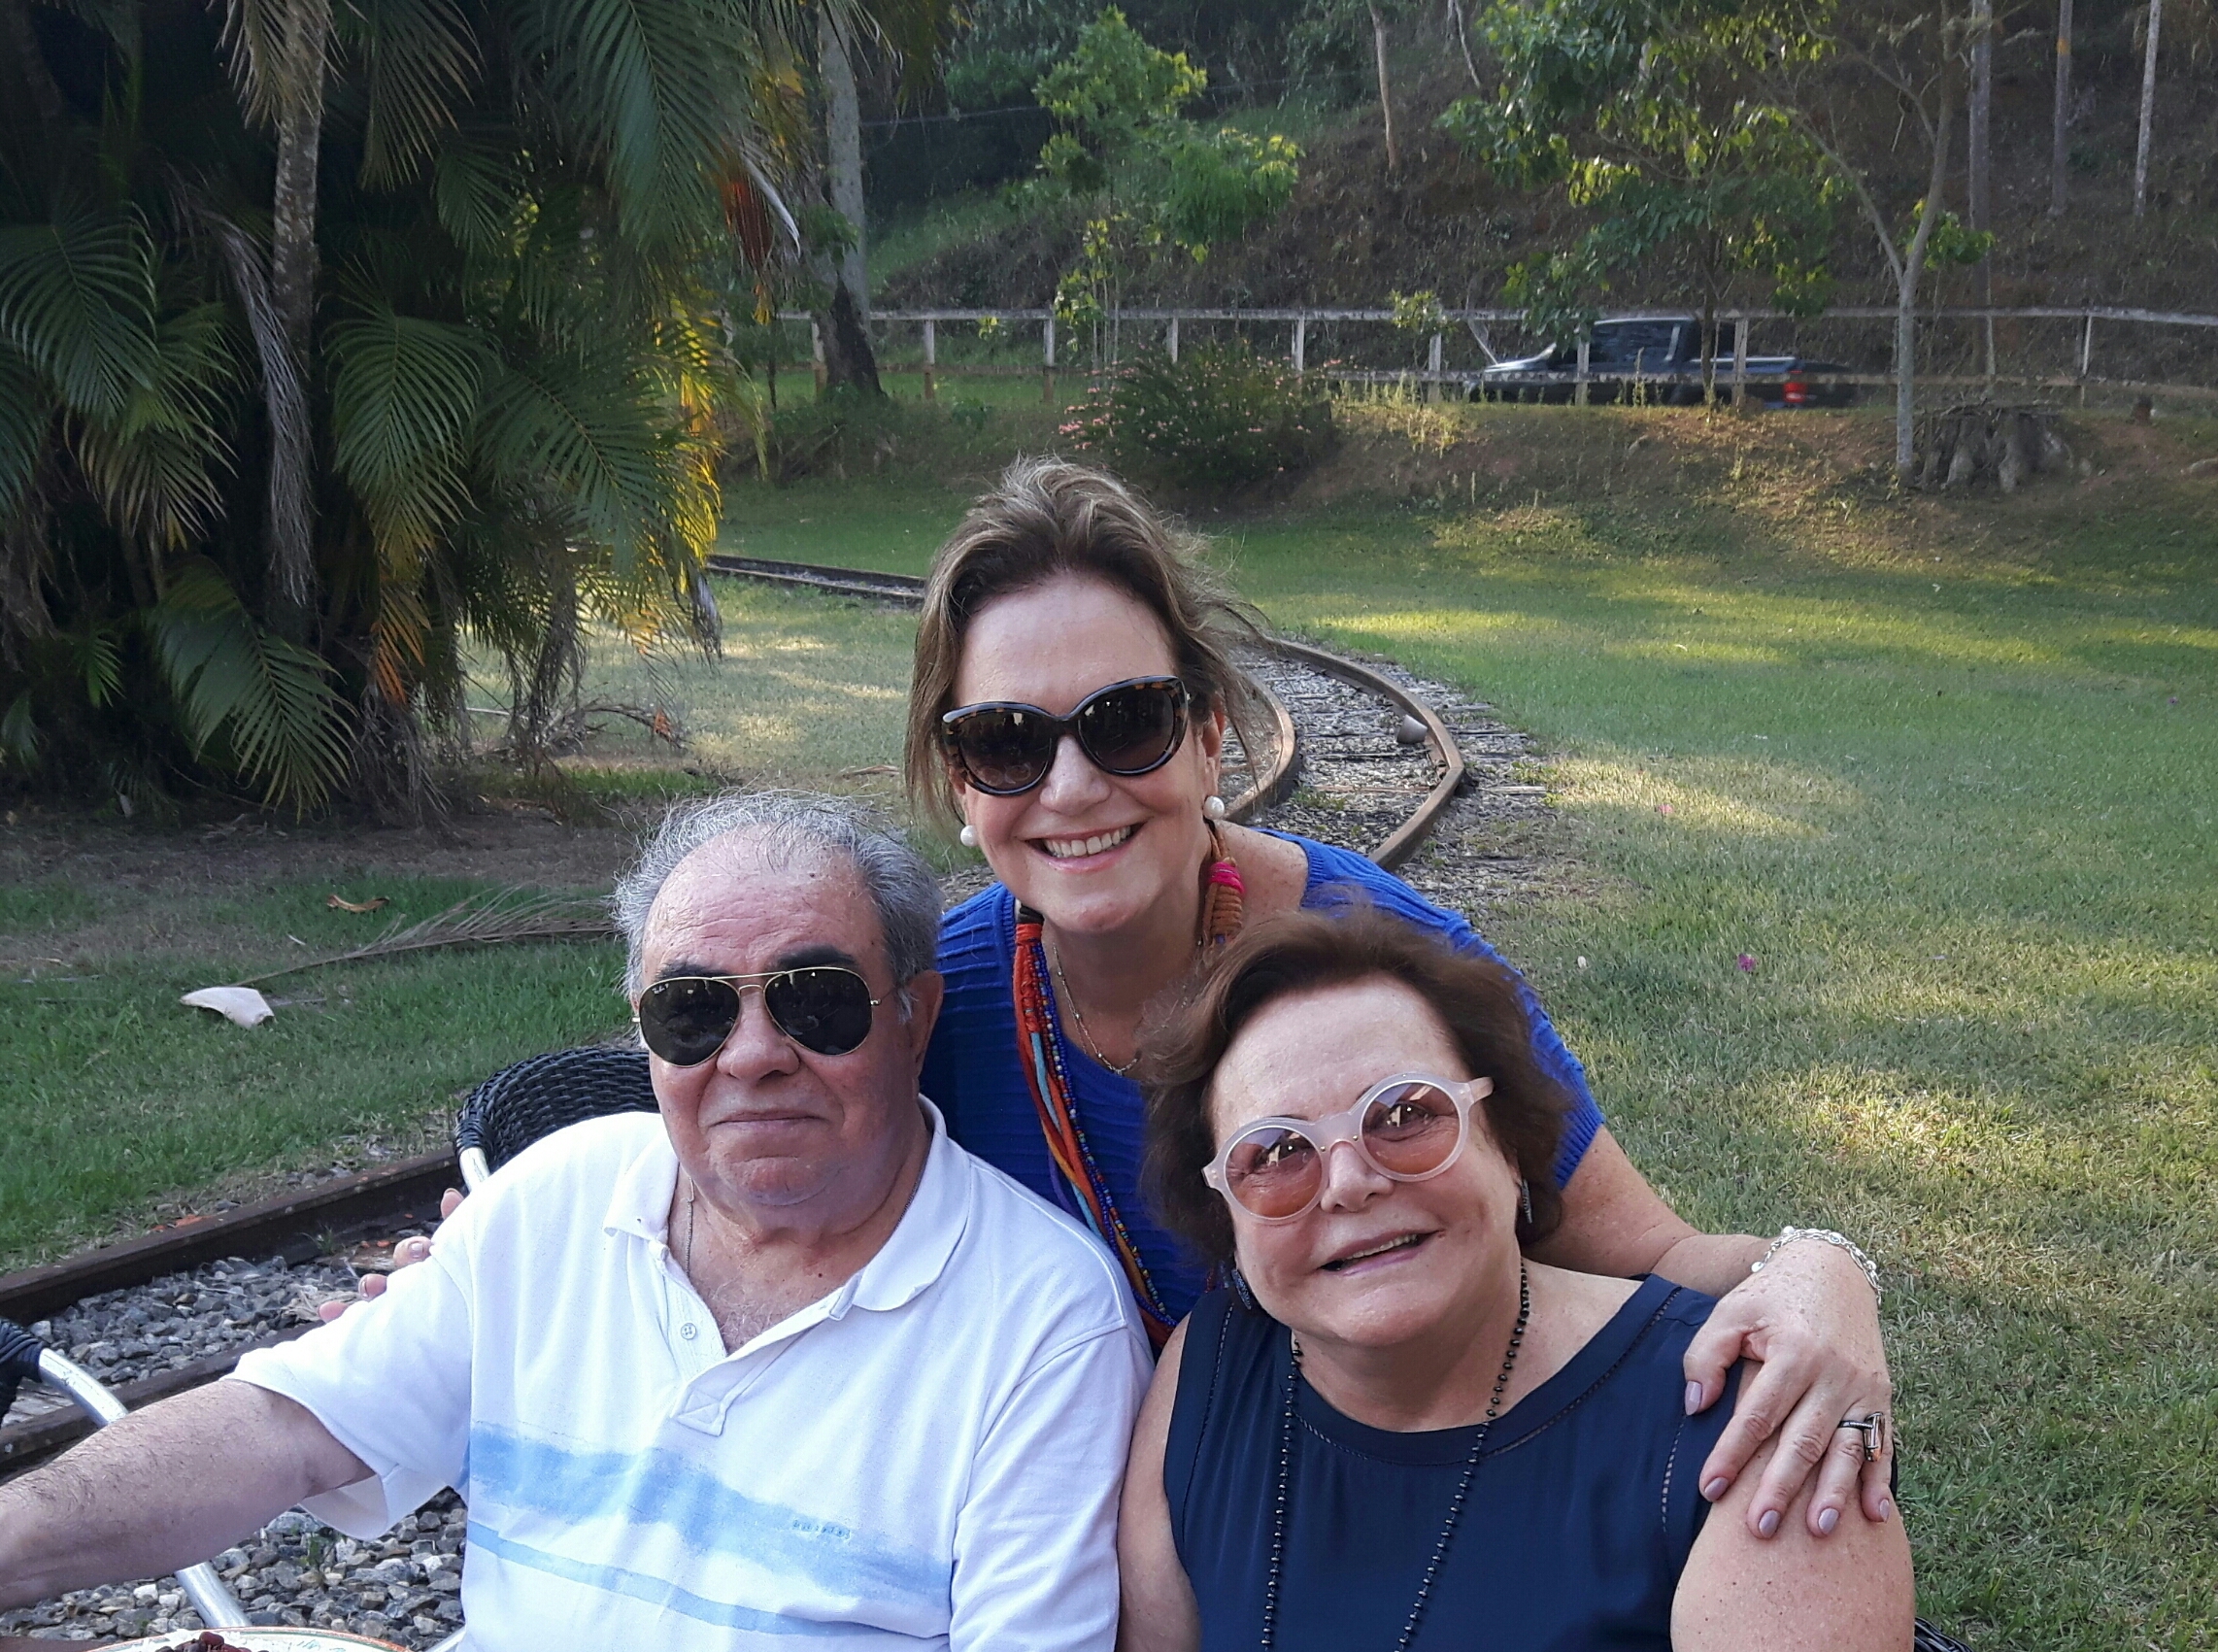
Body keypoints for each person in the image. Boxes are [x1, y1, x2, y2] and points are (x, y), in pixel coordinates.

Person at [911, 456, 1894, 1541]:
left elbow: (1644, 1253)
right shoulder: (926, 1006)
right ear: (959, 779)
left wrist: (1819, 1272)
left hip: (1365, 1518)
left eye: (1125, 722)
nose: (1071, 787)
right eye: (1004, 742)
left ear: (1206, 736)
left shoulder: (1385, 956)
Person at [0, 793, 1150, 1652]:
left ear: (913, 1012)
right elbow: (283, 1429)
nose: (752, 1055)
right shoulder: (558, 1194)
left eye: (815, 998)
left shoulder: (1043, 1319)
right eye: (692, 1011)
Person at [1116, 907, 1913, 1651]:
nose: (1349, 1181)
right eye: (1278, 1152)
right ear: (1226, 1216)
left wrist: (1826, 1263)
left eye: (1403, 1113)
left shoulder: (1755, 1414)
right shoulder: (1211, 1372)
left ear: (1510, 1143)